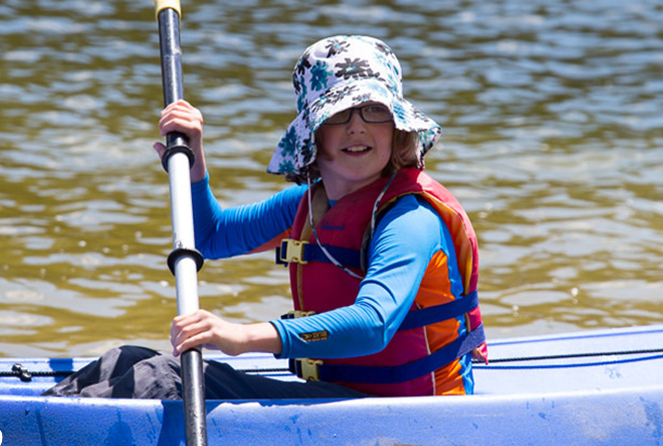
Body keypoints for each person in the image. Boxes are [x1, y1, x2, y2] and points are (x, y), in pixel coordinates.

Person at [44, 35, 485, 400]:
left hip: (405, 414)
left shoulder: (409, 217)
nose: (358, 127)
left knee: (161, 379)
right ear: (313, 134)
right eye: (339, 114)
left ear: (397, 128)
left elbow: (373, 324)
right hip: (340, 399)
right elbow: (210, 237)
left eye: (374, 111)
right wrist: (194, 159)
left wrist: (242, 337)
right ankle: (22, 432)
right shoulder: (307, 205)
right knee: (124, 360)